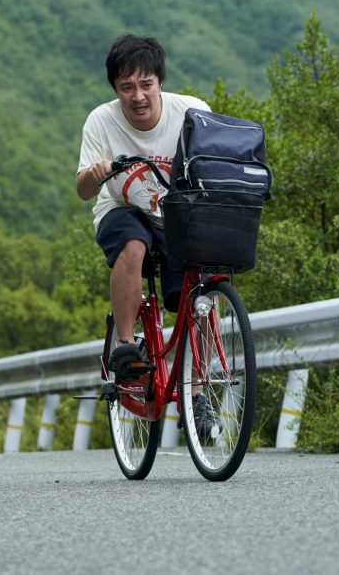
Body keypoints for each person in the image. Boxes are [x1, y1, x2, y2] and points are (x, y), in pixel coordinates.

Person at [76, 34, 217, 432]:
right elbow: (83, 191)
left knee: (200, 291)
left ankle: (198, 391)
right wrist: (96, 173)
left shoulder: (192, 113)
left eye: (145, 84)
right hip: (121, 209)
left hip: (175, 217)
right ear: (115, 88)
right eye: (126, 87)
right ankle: (125, 347)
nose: (137, 96)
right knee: (133, 244)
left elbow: (218, 159)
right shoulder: (101, 120)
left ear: (160, 82)